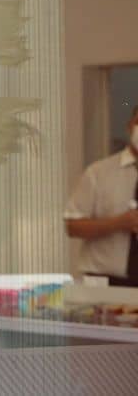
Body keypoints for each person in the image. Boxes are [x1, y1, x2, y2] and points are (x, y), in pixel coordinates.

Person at [65, 105, 138, 286]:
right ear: (130, 126)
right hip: (104, 280)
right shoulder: (99, 173)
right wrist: (119, 223)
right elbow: (72, 226)